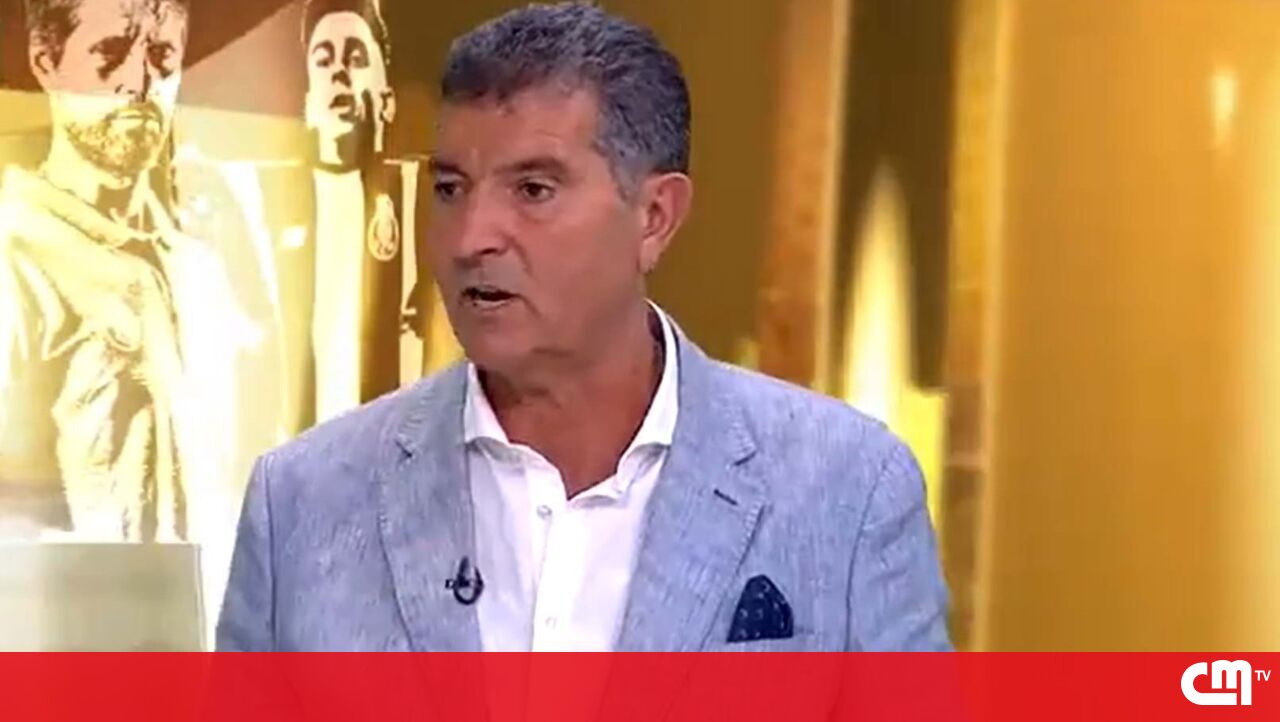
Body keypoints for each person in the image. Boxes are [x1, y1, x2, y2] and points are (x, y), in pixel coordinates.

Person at [218, 2, 951, 652]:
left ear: (654, 217)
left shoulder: (846, 492)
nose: (471, 236)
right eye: (450, 189)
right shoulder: (303, 504)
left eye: (533, 189)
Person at [0, 0, 243, 544]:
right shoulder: (13, 253)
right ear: (45, 61)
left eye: (163, 54)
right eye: (109, 52)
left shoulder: (197, 269)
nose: (140, 81)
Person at [265, 0, 427, 431]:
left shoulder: (420, 197)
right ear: (307, 100)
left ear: (386, 100)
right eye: (324, 60)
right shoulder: (268, 203)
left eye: (355, 59)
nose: (338, 73)